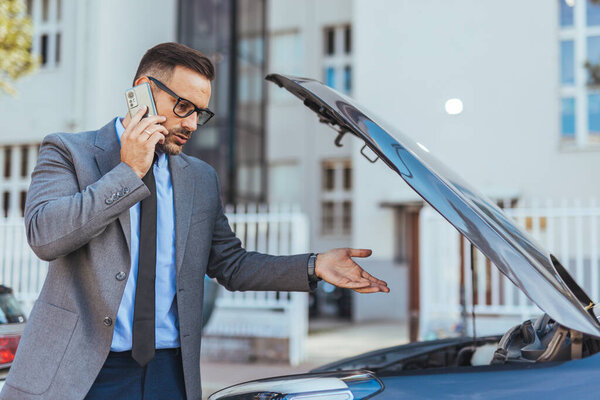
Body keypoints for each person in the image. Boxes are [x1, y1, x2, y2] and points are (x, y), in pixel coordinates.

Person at [0, 42, 389, 400]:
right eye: (183, 106)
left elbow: (231, 265)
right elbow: (46, 236)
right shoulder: (70, 152)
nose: (191, 124)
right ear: (143, 91)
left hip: (169, 373)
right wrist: (128, 172)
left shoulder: (199, 178)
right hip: (78, 372)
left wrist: (314, 265)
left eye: (199, 113)